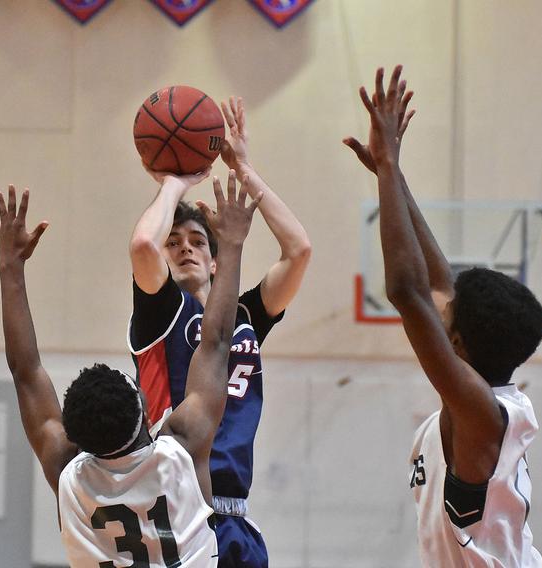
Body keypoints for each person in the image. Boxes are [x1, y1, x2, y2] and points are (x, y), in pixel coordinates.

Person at [0, 176, 259, 567]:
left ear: (73, 434)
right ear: (148, 414)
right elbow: (217, 342)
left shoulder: (69, 472)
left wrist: (9, 267)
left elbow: (25, 371)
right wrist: (233, 244)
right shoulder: (179, 453)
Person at [344, 65, 542, 566]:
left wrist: (389, 170)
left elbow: (408, 291)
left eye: (448, 315)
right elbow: (436, 285)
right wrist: (393, 176)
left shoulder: (479, 411)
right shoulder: (486, 397)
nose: (443, 301)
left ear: (456, 346)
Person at [128, 96, 311, 567]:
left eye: (197, 241)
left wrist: (245, 170)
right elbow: (143, 243)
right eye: (176, 243)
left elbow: (299, 250)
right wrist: (173, 182)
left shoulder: (242, 316)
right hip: (176, 512)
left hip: (234, 516)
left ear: (215, 258)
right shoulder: (160, 311)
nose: (185, 248)